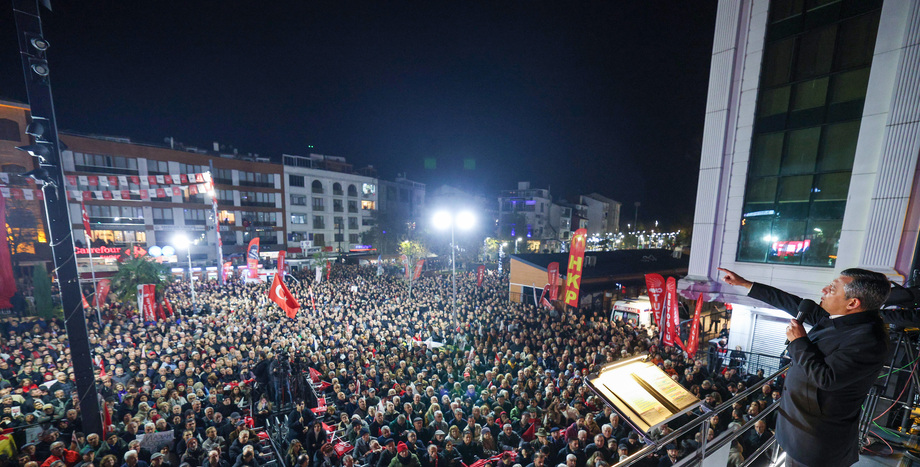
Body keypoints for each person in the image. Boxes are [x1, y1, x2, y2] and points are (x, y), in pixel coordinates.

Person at [718, 267, 891, 467]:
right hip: (798, 429)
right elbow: (791, 302)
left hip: (816, 441)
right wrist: (745, 284)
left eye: (833, 289)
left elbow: (827, 379)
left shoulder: (869, 340)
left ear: (853, 303)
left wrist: (799, 342)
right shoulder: (841, 318)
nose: (824, 290)